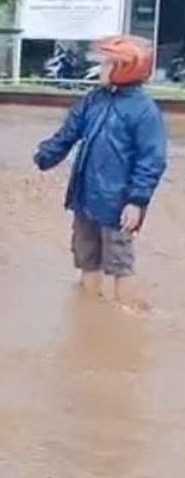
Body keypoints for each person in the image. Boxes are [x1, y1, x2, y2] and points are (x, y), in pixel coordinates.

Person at [35, 35, 167, 310]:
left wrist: (137, 201)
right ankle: (89, 315)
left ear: (125, 67)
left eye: (108, 63)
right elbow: (69, 132)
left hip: (117, 205)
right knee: (86, 259)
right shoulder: (95, 100)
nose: (101, 68)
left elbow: (151, 161)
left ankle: (126, 317)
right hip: (85, 198)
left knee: (120, 265)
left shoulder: (144, 111)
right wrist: (46, 156)